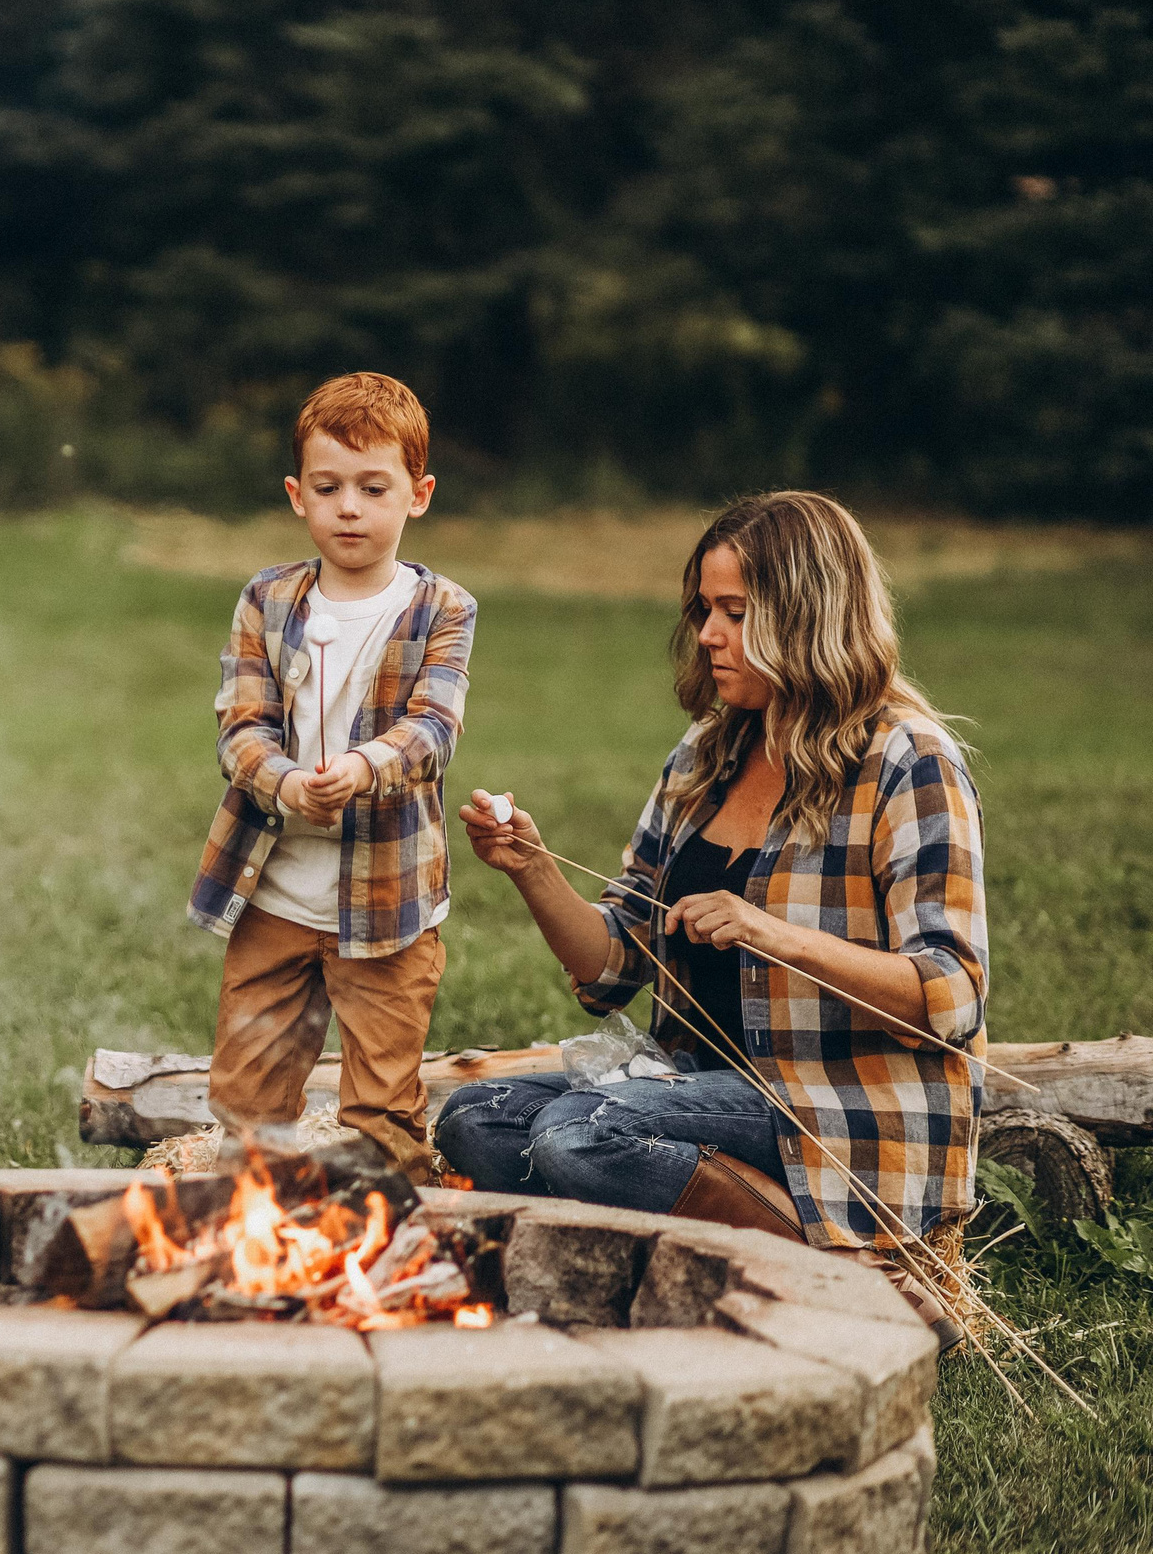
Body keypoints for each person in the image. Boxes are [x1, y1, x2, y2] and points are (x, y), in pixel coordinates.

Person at [434, 490, 985, 1339]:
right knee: (476, 1119)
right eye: (703, 609)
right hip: (700, 1080)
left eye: (735, 612)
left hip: (839, 1098)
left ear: (808, 617)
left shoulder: (908, 762)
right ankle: (673, 1273)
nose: (707, 634)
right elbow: (612, 969)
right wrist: (533, 870)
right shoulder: (707, 751)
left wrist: (772, 932)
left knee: (578, 1139)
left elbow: (951, 994)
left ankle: (853, 1280)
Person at [189, 373, 477, 1180]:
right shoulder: (268, 599)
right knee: (248, 1102)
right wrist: (284, 782)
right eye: (329, 487)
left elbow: (432, 730)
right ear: (297, 495)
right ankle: (252, 1237)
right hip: (275, 893)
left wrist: (360, 768)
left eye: (372, 487)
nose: (350, 506)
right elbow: (240, 727)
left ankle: (382, 1235)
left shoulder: (441, 609)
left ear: (417, 495)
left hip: (389, 902)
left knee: (382, 1109)